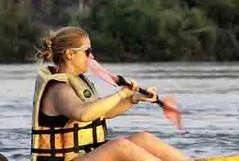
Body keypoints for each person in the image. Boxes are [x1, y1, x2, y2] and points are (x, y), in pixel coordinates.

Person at [33, 27, 189, 161]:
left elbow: (103, 113)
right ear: (69, 54)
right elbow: (83, 114)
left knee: (142, 138)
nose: (92, 57)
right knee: (119, 146)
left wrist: (133, 99)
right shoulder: (59, 89)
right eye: (87, 52)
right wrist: (121, 94)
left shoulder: (78, 82)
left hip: (85, 155)